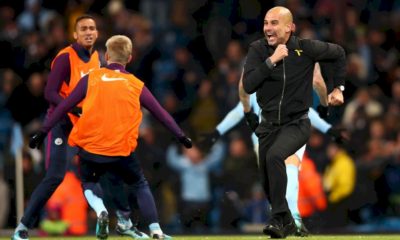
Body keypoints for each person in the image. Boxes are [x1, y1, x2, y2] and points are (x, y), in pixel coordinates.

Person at [29, 35, 192, 240]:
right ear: (130, 58)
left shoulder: (91, 78)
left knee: (88, 181)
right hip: (120, 150)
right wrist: (181, 136)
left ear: (106, 56)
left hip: (90, 149)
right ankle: (156, 230)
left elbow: (63, 106)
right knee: (139, 184)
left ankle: (101, 210)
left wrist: (43, 131)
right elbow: (162, 114)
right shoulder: (135, 84)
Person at [12, 15, 145, 240]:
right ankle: (22, 227)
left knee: (102, 170)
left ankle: (113, 217)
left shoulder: (96, 58)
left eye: (92, 28)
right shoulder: (66, 57)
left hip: (84, 126)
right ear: (75, 34)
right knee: (54, 177)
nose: (88, 32)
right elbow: (50, 93)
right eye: (83, 29)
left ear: (97, 33)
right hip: (62, 123)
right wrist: (75, 110)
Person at [200, 64, 345, 236]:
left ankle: (293, 219)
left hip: (290, 131)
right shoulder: (258, 88)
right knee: (280, 180)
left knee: (289, 172)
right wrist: (217, 132)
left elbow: (306, 112)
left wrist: (329, 129)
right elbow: (239, 111)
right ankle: (288, 219)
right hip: (264, 139)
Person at [242, 6, 346, 238]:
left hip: (296, 123)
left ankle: (278, 220)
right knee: (267, 182)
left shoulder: (305, 48)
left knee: (275, 157)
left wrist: (338, 88)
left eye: (274, 23)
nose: (268, 28)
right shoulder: (257, 50)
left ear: (290, 28)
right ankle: (289, 222)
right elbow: (248, 85)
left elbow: (338, 52)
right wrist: (272, 61)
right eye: (266, 23)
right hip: (267, 124)